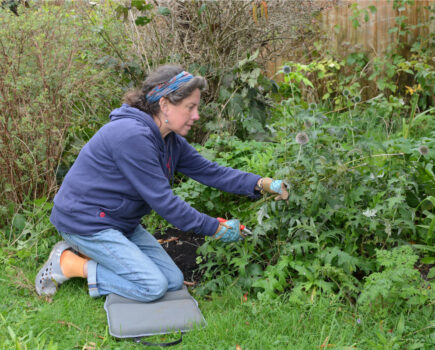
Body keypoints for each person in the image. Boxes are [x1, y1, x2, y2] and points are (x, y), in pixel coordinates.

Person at [35, 64, 288, 302]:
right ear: (165, 104)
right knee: (153, 287)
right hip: (85, 221)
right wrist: (214, 228)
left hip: (119, 221)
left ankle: (98, 255)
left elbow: (211, 172)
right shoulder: (132, 137)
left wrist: (263, 183)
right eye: (190, 107)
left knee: (173, 280)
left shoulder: (168, 141)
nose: (196, 115)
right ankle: (69, 263)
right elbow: (165, 203)